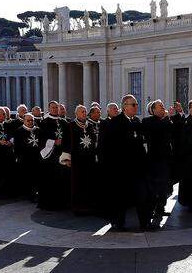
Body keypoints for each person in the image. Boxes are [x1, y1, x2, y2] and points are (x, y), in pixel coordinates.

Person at [104, 94, 153, 231]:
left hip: (138, 168)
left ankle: (145, 222)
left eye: (136, 104)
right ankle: (118, 222)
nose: (136, 106)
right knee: (121, 198)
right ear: (124, 107)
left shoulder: (137, 122)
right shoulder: (115, 122)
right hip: (121, 169)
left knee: (142, 196)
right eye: (133, 104)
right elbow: (108, 147)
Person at [61, 105, 98, 215]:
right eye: (82, 112)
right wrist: (67, 159)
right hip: (77, 160)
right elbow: (66, 142)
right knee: (77, 183)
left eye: (85, 111)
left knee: (89, 182)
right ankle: (78, 207)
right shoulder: (70, 126)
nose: (84, 113)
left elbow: (94, 141)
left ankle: (89, 205)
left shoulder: (90, 126)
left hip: (89, 158)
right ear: (76, 114)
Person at [142, 100, 175, 221]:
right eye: (160, 106)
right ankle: (152, 209)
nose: (163, 108)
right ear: (153, 110)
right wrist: (167, 118)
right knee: (155, 187)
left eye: (163, 106)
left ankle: (161, 208)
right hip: (154, 160)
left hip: (166, 159)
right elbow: (158, 129)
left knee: (164, 186)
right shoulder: (148, 121)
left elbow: (173, 131)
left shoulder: (166, 120)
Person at [37, 101, 70, 210]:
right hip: (50, 156)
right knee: (50, 179)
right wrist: (53, 142)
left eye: (57, 107)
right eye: (53, 107)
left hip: (62, 154)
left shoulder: (64, 122)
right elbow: (41, 139)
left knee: (63, 178)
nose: (55, 109)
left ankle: (63, 202)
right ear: (49, 108)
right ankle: (49, 204)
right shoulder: (44, 122)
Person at [13, 113, 41, 201]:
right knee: (28, 177)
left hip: (37, 157)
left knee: (37, 176)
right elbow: (16, 146)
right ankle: (30, 195)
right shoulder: (19, 131)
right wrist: (18, 157)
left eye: (32, 120)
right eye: (28, 120)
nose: (30, 122)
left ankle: (38, 193)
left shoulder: (38, 130)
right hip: (25, 158)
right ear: (24, 121)